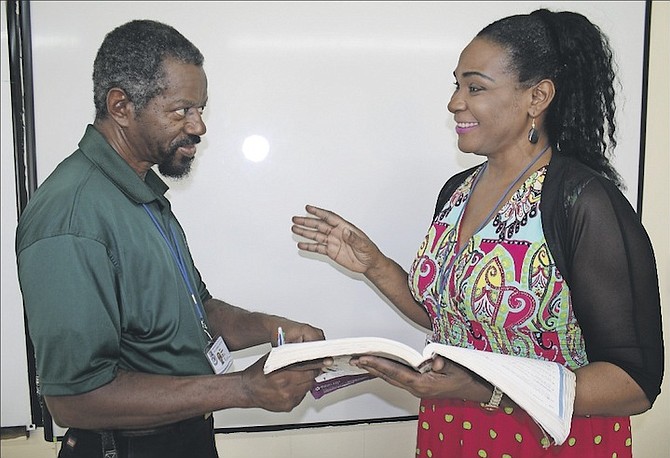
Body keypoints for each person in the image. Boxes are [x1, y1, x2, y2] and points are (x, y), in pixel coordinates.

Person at [291, 8, 663, 458]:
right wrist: (375, 266)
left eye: (475, 87)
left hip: (548, 442)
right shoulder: (457, 191)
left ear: (538, 97)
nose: (454, 102)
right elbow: (455, 319)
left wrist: (487, 390)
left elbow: (634, 383)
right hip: (452, 431)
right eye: (456, 85)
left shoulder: (582, 200)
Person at [15, 20, 326, 458]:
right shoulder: (72, 217)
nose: (199, 126)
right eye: (182, 110)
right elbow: (73, 399)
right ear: (121, 107)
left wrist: (277, 329)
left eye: (201, 109)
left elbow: (201, 315)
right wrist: (241, 389)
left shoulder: (142, 193)